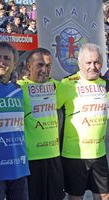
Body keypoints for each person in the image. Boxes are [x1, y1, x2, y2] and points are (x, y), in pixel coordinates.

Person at [57, 43, 109, 200]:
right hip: (74, 154)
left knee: (104, 195)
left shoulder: (105, 84)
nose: (93, 66)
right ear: (79, 63)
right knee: (75, 196)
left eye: (97, 62)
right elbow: (49, 109)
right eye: (88, 62)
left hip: (99, 153)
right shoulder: (66, 84)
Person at [0, 42, 30, 200]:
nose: (1, 61)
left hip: (19, 167)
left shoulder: (20, 90)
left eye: (7, 58)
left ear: (14, 63)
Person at [17, 48, 64, 200]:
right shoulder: (18, 88)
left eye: (48, 66)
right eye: (40, 65)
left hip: (54, 155)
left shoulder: (57, 86)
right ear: (29, 66)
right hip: (31, 158)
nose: (44, 70)